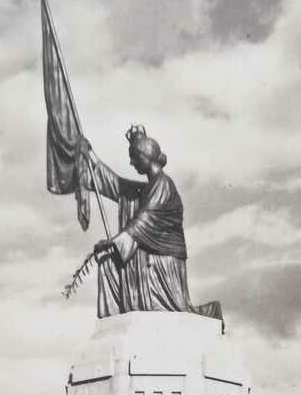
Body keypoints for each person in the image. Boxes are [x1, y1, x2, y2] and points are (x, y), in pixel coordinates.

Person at [81, 126, 221, 321]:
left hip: (162, 261)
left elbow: (144, 219)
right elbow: (117, 185)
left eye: (134, 158)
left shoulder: (163, 184)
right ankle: (114, 322)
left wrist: (113, 242)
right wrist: (91, 158)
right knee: (107, 266)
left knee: (110, 262)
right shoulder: (148, 188)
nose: (131, 163)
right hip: (147, 253)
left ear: (145, 157)